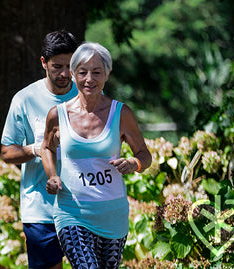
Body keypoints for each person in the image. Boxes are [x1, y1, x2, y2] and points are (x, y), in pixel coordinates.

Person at [41, 42, 152, 268]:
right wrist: (52, 175)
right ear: (73, 75)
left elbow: (144, 154)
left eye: (96, 72)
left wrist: (134, 163)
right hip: (72, 212)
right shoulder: (57, 115)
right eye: (82, 72)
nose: (89, 79)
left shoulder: (121, 113)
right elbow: (46, 147)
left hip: (112, 215)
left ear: (107, 74)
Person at [0, 30, 78, 269]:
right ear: (43, 63)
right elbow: (7, 152)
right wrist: (38, 148)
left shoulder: (89, 94)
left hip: (83, 207)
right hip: (41, 210)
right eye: (57, 67)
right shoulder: (24, 99)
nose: (65, 73)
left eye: (70, 65)